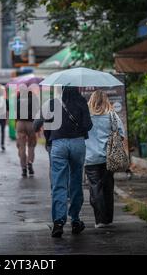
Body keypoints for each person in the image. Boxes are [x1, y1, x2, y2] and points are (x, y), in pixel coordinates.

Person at [45, 86, 93, 238]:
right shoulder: (81, 101)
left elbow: (47, 126)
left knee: (58, 183)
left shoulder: (53, 103)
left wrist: (49, 141)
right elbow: (88, 125)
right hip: (77, 143)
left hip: (58, 144)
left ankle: (58, 222)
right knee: (76, 181)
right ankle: (75, 220)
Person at [85, 90, 125, 228]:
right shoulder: (112, 116)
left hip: (90, 159)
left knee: (95, 189)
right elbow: (121, 135)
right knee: (108, 188)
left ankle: (100, 220)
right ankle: (108, 219)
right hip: (109, 159)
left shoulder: (86, 117)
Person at [16, 91, 38, 176]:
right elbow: (37, 112)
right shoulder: (33, 100)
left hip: (20, 123)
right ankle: (30, 163)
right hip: (31, 124)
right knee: (31, 145)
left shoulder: (18, 101)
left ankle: (24, 168)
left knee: (21, 146)